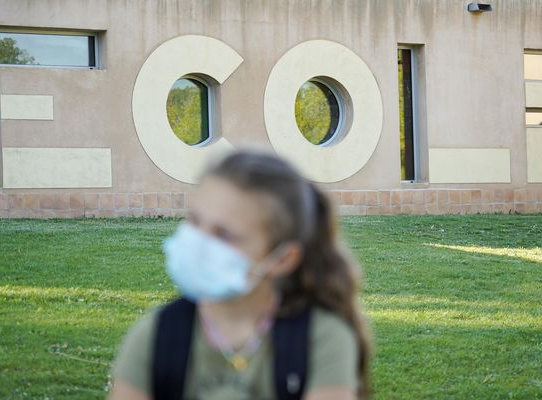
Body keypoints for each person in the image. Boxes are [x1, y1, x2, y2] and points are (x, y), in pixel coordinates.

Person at [108, 151, 371, 400]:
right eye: (195, 222)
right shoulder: (156, 334)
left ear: (282, 259)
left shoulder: (322, 338)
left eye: (224, 235)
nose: (199, 243)